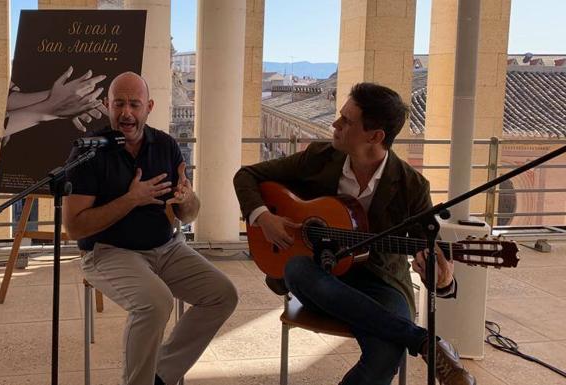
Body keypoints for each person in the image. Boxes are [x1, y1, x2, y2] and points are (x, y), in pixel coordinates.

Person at [233, 82, 475, 385]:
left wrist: (443, 279)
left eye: (347, 121)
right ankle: (422, 340)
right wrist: (264, 217)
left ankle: (411, 338)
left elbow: (429, 252)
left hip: (380, 283)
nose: (335, 125)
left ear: (375, 137)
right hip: (321, 276)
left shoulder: (411, 186)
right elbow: (247, 175)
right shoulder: (320, 158)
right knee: (295, 268)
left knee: (387, 354)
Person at [63, 72, 238, 385]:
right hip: (108, 252)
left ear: (149, 107)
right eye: (119, 104)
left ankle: (159, 376)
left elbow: (189, 215)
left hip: (166, 248)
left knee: (223, 295)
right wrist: (131, 199)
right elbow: (74, 227)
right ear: (107, 106)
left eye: (134, 104)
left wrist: (187, 197)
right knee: (156, 303)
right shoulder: (89, 152)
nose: (126, 112)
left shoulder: (166, 146)